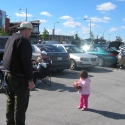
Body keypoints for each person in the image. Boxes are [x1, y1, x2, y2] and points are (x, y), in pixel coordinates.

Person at [3, 21, 35, 125]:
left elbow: (6, 56)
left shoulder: (11, 38)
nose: (30, 34)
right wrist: (30, 79)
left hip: (8, 74)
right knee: (20, 104)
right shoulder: (23, 41)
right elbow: (26, 63)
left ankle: (10, 122)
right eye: (31, 32)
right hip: (18, 78)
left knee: (11, 100)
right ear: (27, 30)